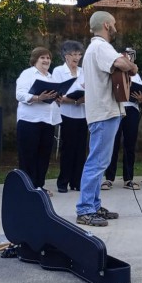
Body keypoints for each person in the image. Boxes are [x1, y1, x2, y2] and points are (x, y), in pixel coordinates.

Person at [76, 11, 138, 227]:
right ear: (105, 25)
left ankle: (93, 205)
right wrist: (132, 65)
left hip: (102, 111)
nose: (115, 28)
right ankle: (85, 209)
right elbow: (123, 65)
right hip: (104, 111)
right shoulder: (101, 46)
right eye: (113, 24)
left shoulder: (94, 49)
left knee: (100, 161)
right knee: (97, 161)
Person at [15, 47, 62, 195]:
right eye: (42, 58)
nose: (46, 60)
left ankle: (39, 186)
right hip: (29, 121)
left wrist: (58, 98)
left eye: (48, 58)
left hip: (47, 121)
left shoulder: (51, 77)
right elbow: (19, 94)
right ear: (35, 60)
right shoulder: (27, 74)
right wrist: (37, 98)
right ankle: (27, 189)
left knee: (44, 155)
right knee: (28, 155)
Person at [103, 47, 142, 191]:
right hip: (116, 108)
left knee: (130, 144)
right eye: (126, 55)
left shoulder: (136, 75)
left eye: (132, 56)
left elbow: (141, 94)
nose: (129, 58)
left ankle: (129, 178)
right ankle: (108, 178)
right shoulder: (113, 71)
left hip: (131, 109)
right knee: (113, 144)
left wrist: (141, 97)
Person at [52, 40, 87, 194]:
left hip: (83, 114)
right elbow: (57, 93)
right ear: (66, 56)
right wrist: (71, 99)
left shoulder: (83, 71)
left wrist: (83, 98)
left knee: (80, 150)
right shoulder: (58, 71)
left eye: (79, 54)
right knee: (68, 149)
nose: (76, 57)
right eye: (73, 54)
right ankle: (63, 182)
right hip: (66, 114)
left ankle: (77, 181)